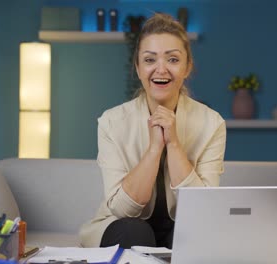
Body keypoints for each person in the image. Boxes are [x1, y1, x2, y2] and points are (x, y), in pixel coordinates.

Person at [79, 13, 226, 249]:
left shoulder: (211, 124)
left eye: (173, 60)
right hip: (123, 226)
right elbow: (121, 209)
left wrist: (174, 144)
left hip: (182, 227)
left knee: (193, 234)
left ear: (188, 67)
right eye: (149, 60)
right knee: (135, 232)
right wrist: (154, 148)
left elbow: (204, 210)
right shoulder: (112, 122)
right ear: (137, 68)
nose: (161, 70)